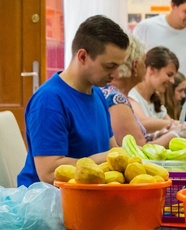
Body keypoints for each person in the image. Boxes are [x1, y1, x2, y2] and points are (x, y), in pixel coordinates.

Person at [17, 15, 129, 187]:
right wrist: (103, 159)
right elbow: (48, 172)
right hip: (49, 205)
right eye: (109, 66)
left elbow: (112, 149)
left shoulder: (98, 94)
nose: (116, 75)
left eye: (118, 67)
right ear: (83, 56)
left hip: (86, 197)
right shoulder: (49, 101)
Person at [133, 0, 186, 129]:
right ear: (173, 5)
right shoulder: (147, 27)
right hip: (156, 92)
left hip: (185, 92)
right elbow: (133, 61)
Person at [101, 35, 186, 148]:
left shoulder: (113, 94)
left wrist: (158, 135)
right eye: (145, 63)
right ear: (135, 65)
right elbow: (140, 151)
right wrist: (173, 135)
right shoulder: (116, 100)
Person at [128, 46, 186, 140]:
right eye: (169, 75)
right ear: (151, 70)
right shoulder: (131, 95)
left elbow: (171, 125)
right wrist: (184, 125)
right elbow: (142, 122)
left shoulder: (155, 100)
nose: (172, 81)